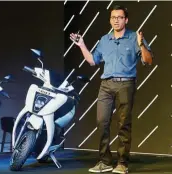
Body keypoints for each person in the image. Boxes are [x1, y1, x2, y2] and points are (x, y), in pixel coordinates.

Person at [70, 5, 153, 174]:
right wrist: (81, 45)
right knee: (102, 122)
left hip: (125, 84)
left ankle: (122, 163)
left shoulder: (134, 37)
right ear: (110, 20)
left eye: (120, 17)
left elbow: (148, 60)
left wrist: (141, 45)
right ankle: (105, 161)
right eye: (113, 17)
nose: (116, 20)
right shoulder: (104, 40)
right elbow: (93, 61)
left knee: (123, 124)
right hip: (106, 85)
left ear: (126, 20)